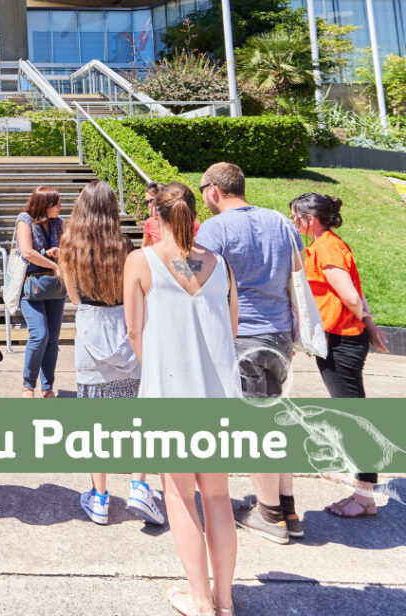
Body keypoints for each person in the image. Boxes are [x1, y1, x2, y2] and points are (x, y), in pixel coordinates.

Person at [125, 183, 239, 616]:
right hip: (217, 394)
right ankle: (224, 600)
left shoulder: (141, 261)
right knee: (217, 498)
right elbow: (231, 328)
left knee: (179, 495)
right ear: (193, 215)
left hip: (170, 393)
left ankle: (201, 599)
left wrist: (156, 367)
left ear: (156, 215)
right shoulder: (220, 263)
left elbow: (134, 332)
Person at [196, 161, 302, 545]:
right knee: (276, 418)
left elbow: (195, 276)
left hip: (243, 337)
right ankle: (287, 507)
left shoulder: (215, 228)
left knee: (258, 429)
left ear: (213, 191)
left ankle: (270, 514)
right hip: (279, 334)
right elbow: (295, 270)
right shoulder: (280, 221)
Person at [58, 180, 164, 527]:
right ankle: (139, 487)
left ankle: (100, 499)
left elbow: (74, 298)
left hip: (91, 332)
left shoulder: (69, 246)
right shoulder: (125, 246)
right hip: (125, 329)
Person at [291, 192, 391, 518]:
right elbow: (356, 293)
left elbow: (350, 296)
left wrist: (366, 324)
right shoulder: (331, 243)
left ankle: (364, 496)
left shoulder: (326, 248)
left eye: (296, 216)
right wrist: (372, 327)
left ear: (311, 219)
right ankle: (357, 474)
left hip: (341, 342)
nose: (293, 221)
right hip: (344, 338)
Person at [14, 186, 65, 398]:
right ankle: (28, 385)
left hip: (54, 286)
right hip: (30, 285)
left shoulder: (59, 223)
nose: (60, 207)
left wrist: (59, 252)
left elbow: (69, 248)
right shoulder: (24, 219)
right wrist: (53, 265)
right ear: (44, 205)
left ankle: (47, 387)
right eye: (56, 203)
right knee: (39, 335)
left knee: (53, 338)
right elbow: (27, 252)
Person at [143, 180, 200, 245]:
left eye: (152, 201)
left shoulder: (192, 223)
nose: (149, 205)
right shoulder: (149, 223)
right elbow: (145, 247)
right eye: (147, 202)